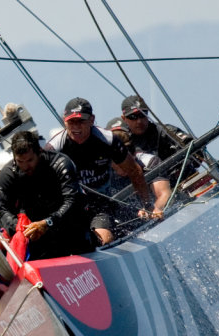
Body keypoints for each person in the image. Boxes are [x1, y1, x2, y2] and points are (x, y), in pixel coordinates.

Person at [46, 98, 153, 245]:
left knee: (104, 239)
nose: (76, 127)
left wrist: (147, 205)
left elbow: (134, 171)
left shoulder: (108, 140)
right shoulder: (53, 148)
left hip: (100, 203)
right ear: (65, 122)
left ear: (91, 120)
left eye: (81, 121)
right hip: (68, 205)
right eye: (72, 122)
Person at [0, 130, 92, 260]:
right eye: (20, 161)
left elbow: (72, 200)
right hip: (37, 235)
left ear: (39, 152)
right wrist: (22, 229)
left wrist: (48, 223)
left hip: (70, 226)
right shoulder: (8, 174)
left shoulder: (60, 163)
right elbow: (3, 210)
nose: (25, 166)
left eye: (30, 160)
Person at [106, 117, 171, 219]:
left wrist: (155, 209)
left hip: (153, 216)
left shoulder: (149, 161)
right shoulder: (101, 171)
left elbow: (164, 194)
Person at [120, 95, 192, 165]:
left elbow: (193, 147)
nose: (139, 121)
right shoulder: (123, 144)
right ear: (124, 118)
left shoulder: (164, 131)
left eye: (142, 114)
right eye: (133, 116)